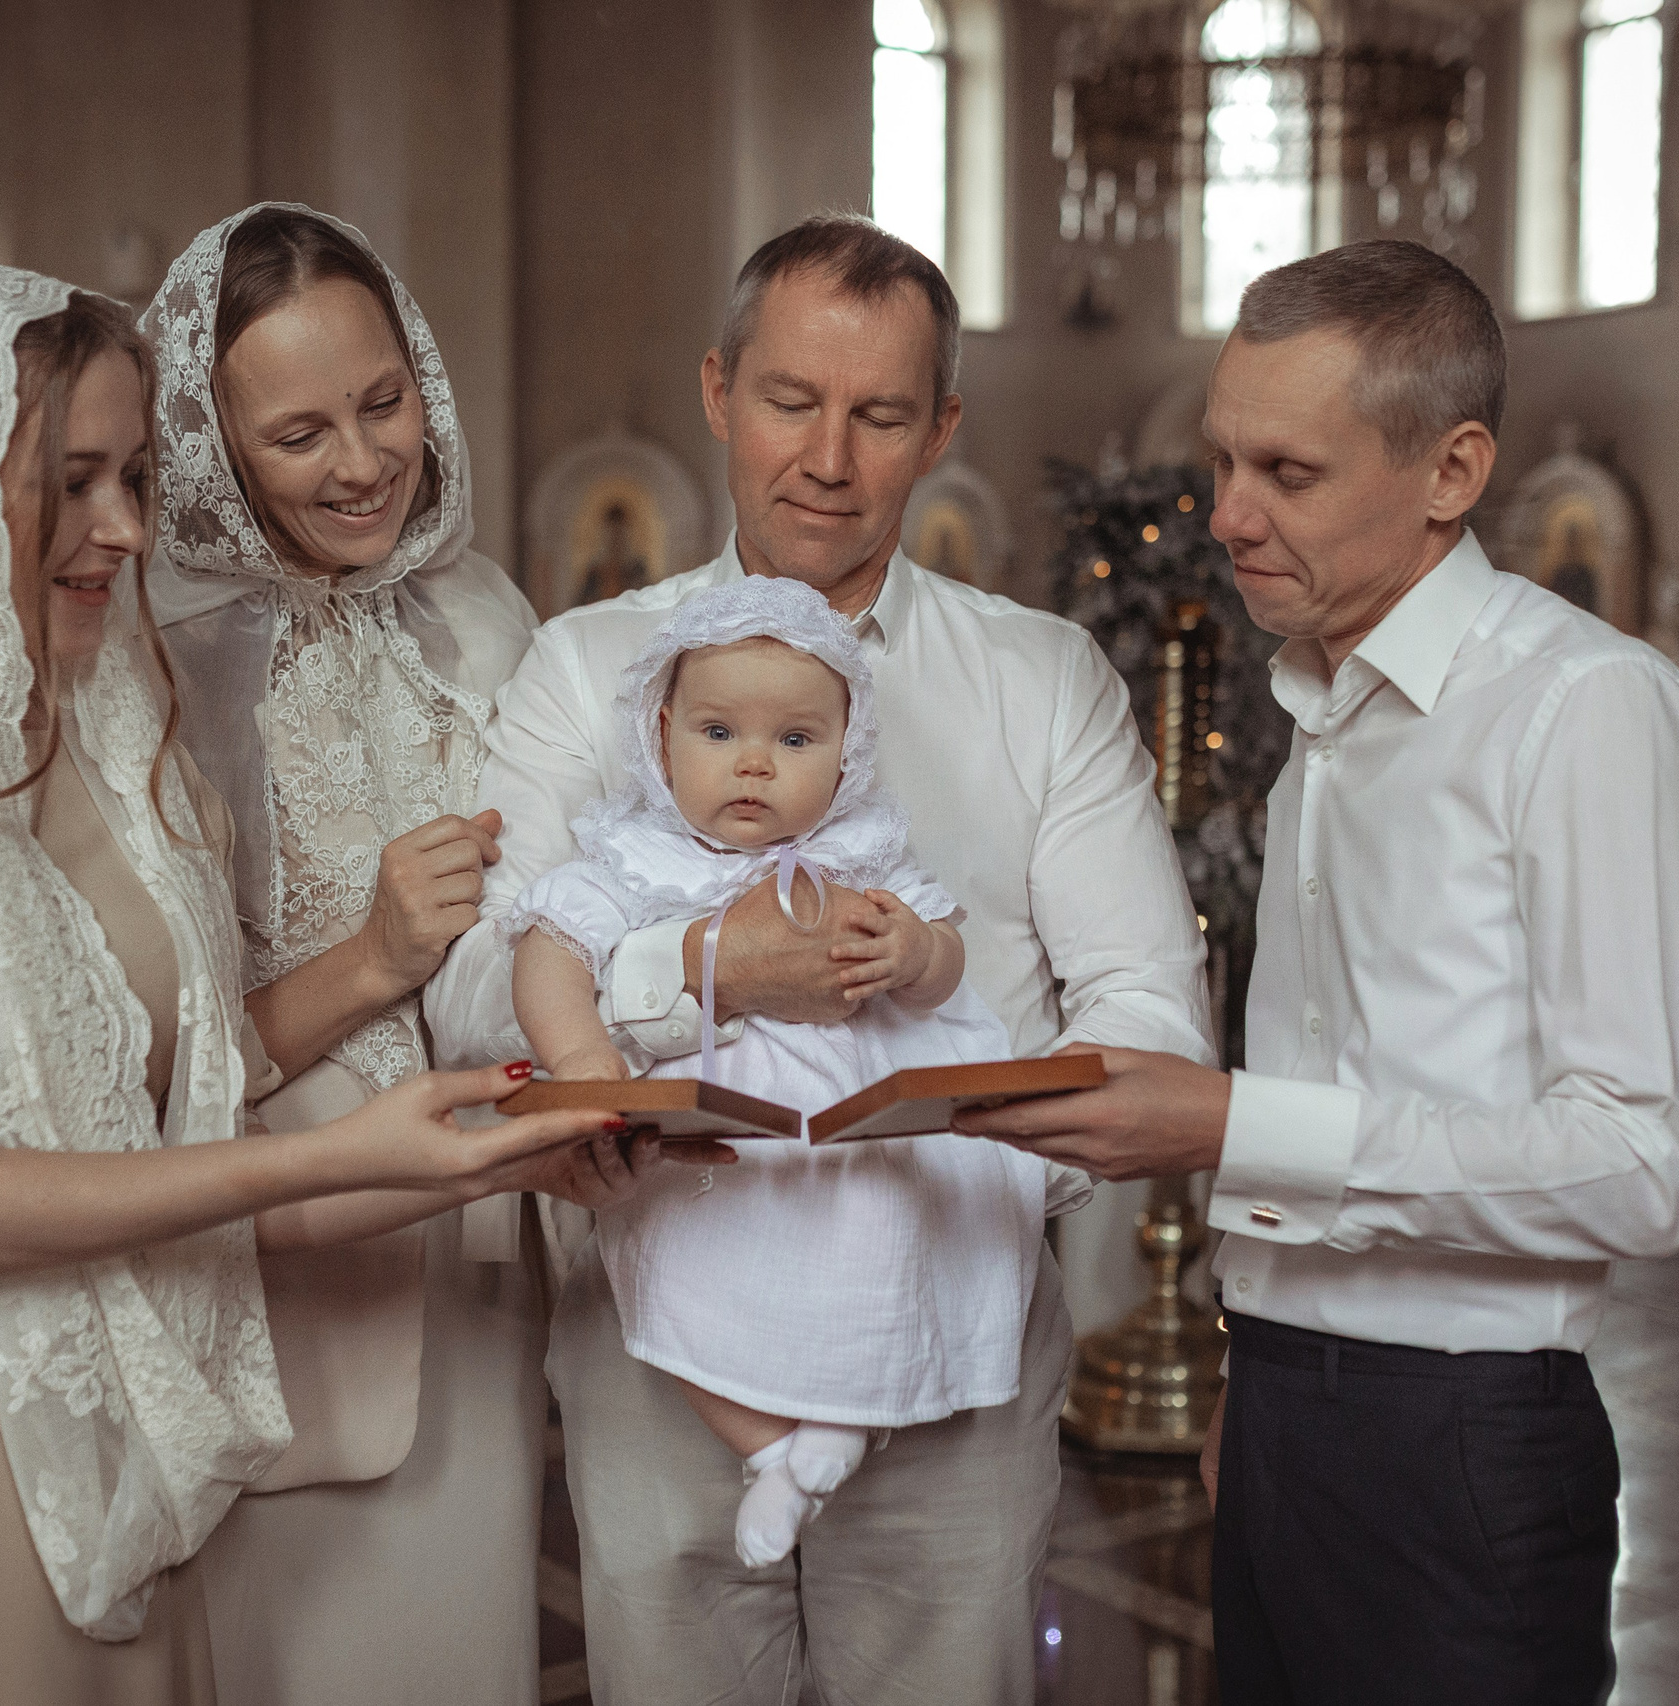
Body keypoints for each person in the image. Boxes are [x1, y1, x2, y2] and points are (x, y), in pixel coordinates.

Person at [0, 262, 619, 1706]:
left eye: (136, 473)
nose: (127, 528)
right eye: (69, 481)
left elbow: (188, 1082)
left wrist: (484, 1147)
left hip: (119, 1430)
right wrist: (325, 1160)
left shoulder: (119, 751)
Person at [429, 214, 1214, 1704]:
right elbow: (477, 993)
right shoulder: (591, 668)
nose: (830, 460)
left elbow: (1145, 1015)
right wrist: (710, 971)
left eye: (882, 414)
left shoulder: (1043, 680)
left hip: (955, 1332)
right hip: (662, 1340)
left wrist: (956, 1166)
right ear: (720, 390)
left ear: (944, 430)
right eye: (793, 400)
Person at [957, 240, 1679, 1705]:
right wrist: (1260, 1366)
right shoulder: (1328, 705)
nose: (1225, 515)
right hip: (1286, 1414)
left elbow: (1640, 1161)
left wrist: (1225, 1123)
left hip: (1462, 1439)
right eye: (1221, 460)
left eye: (1287, 474)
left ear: (1452, 470)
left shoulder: (1587, 712)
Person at [141, 204, 682, 1705]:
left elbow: (551, 919)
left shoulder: (481, 611)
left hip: (485, 1246)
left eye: (383, 404)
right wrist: (372, 957)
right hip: (277, 1254)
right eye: (300, 432)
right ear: (214, 445)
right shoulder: (155, 660)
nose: (366, 461)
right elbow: (118, 1065)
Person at [506, 575, 1085, 1569]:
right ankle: (776, 1450)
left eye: (795, 740)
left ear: (848, 749)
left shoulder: (860, 856)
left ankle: (839, 1423)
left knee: (885, 1240)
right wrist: (583, 1057)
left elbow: (947, 953)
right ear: (661, 731)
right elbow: (549, 950)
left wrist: (911, 954)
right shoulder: (634, 855)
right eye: (718, 730)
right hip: (718, 1135)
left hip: (862, 1127)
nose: (753, 766)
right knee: (669, 1268)